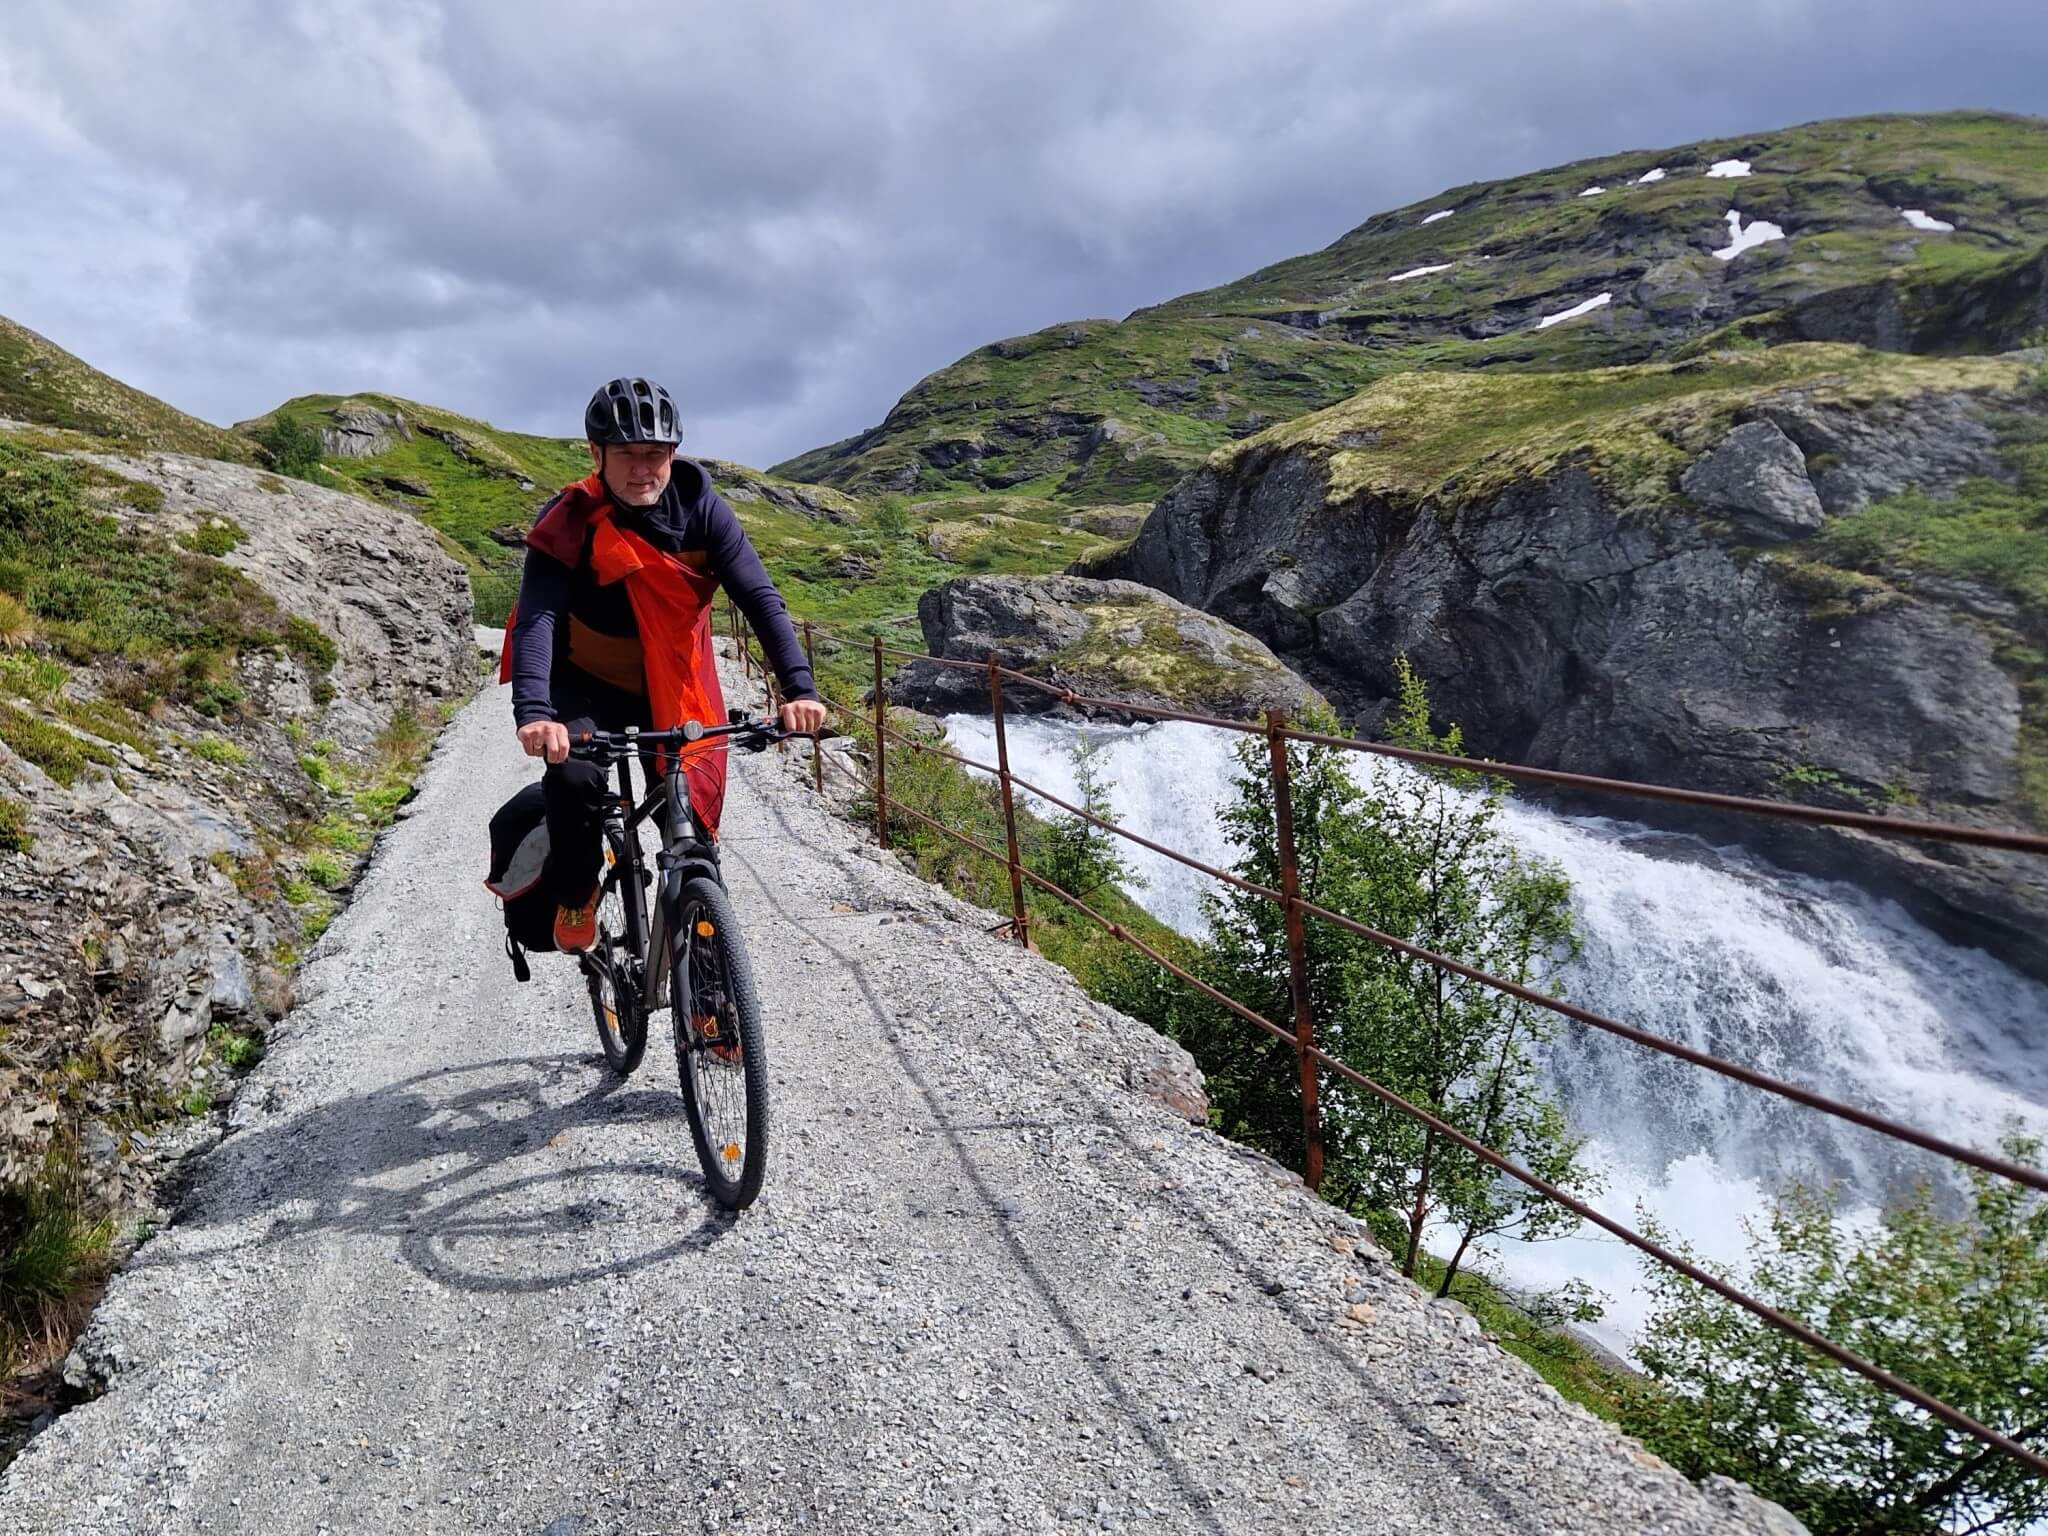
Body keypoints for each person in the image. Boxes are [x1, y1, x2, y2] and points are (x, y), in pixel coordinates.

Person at [503, 376, 826, 952]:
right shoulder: (570, 520)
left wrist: (798, 689)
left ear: (673, 454)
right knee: (575, 778)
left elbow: (759, 598)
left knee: (691, 830)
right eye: (626, 454)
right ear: (595, 453)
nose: (642, 468)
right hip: (584, 682)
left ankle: (711, 1002)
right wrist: (534, 712)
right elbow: (538, 620)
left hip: (672, 682)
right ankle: (578, 893)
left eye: (655, 454)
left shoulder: (703, 510)